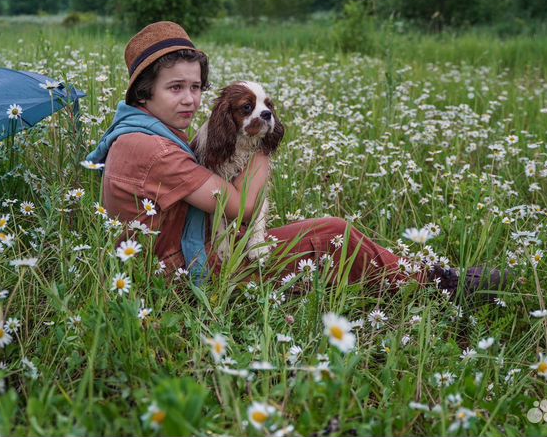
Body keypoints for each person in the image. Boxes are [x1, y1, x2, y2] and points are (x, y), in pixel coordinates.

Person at [87, 21, 507, 297]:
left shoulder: (140, 134)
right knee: (330, 235)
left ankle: (417, 274)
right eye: (174, 88)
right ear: (143, 92)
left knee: (327, 236)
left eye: (195, 87)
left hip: (185, 261)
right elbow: (243, 208)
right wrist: (261, 146)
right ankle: (435, 284)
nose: (190, 99)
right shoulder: (153, 147)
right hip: (184, 281)